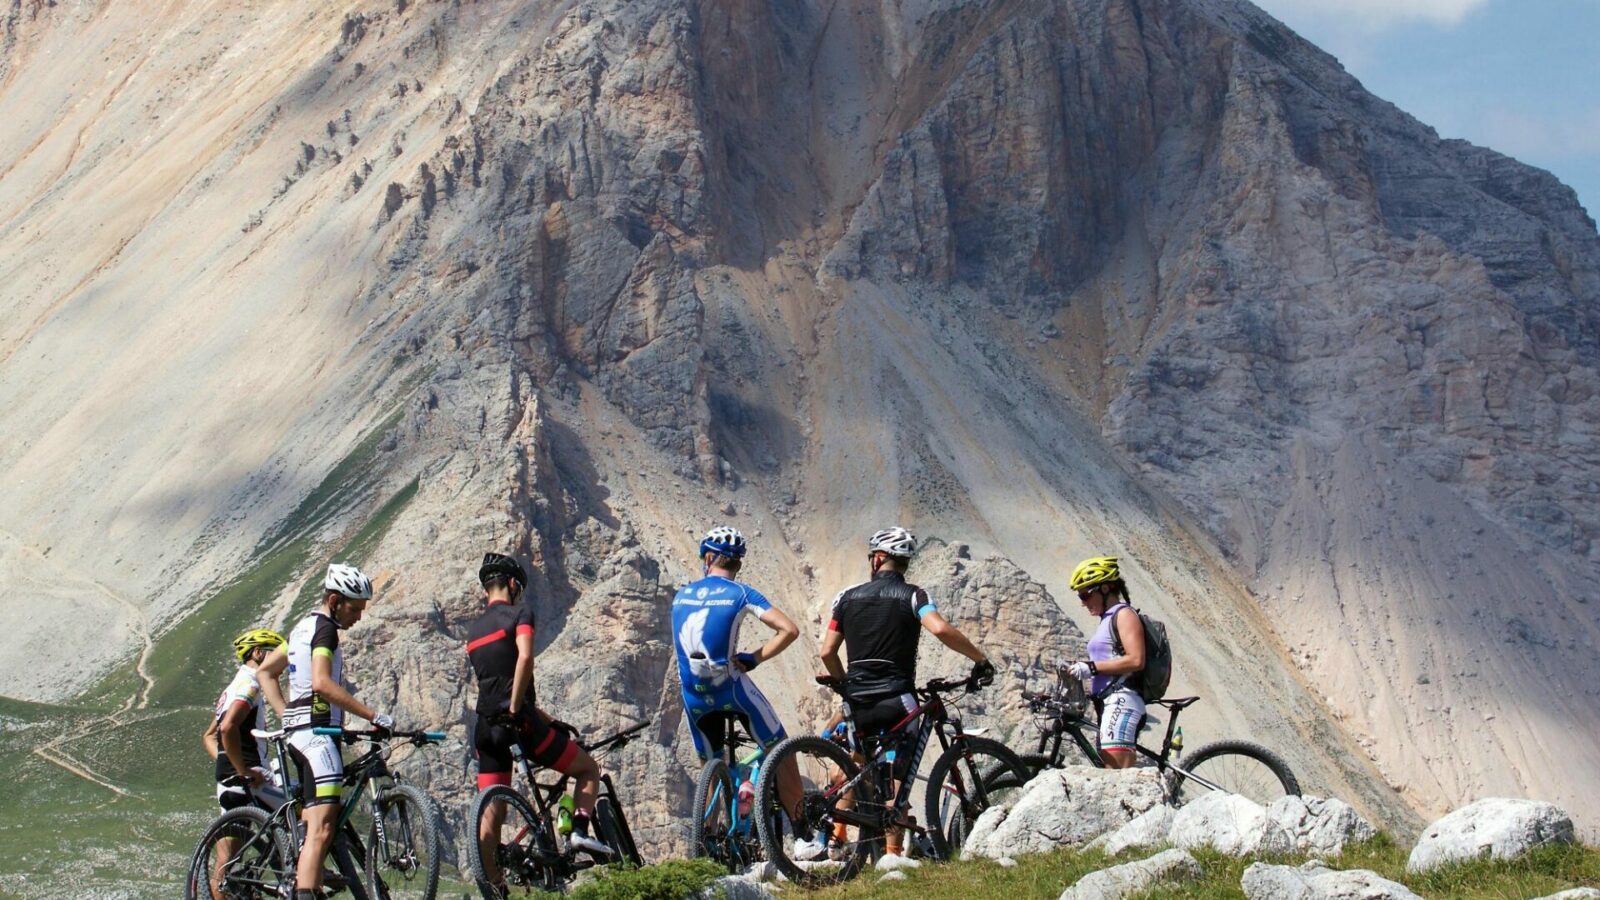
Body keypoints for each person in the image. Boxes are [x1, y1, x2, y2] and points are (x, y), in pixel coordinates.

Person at [818, 526, 994, 857]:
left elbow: (827, 652)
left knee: (856, 763)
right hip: (897, 698)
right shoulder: (914, 595)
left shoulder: (846, 598)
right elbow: (939, 628)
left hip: (857, 699)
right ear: (902, 563)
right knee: (897, 773)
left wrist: (847, 684)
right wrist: (979, 659)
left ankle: (837, 836)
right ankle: (892, 857)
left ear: (878, 558)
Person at [466, 551, 613, 891]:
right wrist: (517, 708)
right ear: (513, 584)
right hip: (518, 724)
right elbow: (525, 658)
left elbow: (494, 681)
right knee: (587, 769)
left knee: (491, 811)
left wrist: (547, 717)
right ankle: (578, 832)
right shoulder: (520, 613)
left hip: (485, 730)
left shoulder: (473, 632)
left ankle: (495, 886)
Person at [256, 563, 398, 900]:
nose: (359, 617)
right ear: (334, 600)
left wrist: (287, 715)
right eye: (354, 608)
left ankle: (310, 884)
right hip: (317, 739)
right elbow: (321, 682)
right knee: (322, 828)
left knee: (313, 825)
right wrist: (372, 715)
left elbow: (265, 672)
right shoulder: (326, 631)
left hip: (301, 735)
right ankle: (304, 891)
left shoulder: (301, 628)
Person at [670, 527, 806, 841]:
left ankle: (705, 843)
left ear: (707, 558)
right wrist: (754, 658)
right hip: (730, 689)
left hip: (693, 696)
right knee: (780, 749)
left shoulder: (681, 595)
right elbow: (790, 630)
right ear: (738, 565)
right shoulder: (741, 593)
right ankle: (803, 837)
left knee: (711, 762)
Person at [201, 628, 287, 900]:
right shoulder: (250, 685)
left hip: (227, 782)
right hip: (248, 780)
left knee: (225, 865)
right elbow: (227, 729)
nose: (281, 666)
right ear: (259, 654)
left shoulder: (231, 688)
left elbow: (208, 735)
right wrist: (243, 771)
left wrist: (227, 764)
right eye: (276, 657)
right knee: (305, 814)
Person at [1065, 556, 1147, 769]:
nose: (1083, 602)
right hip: (1107, 702)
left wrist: (1091, 668)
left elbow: (1136, 659)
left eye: (1085, 595)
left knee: (1116, 778)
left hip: (1122, 699)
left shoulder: (1124, 614)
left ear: (1105, 588)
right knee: (1109, 776)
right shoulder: (1107, 619)